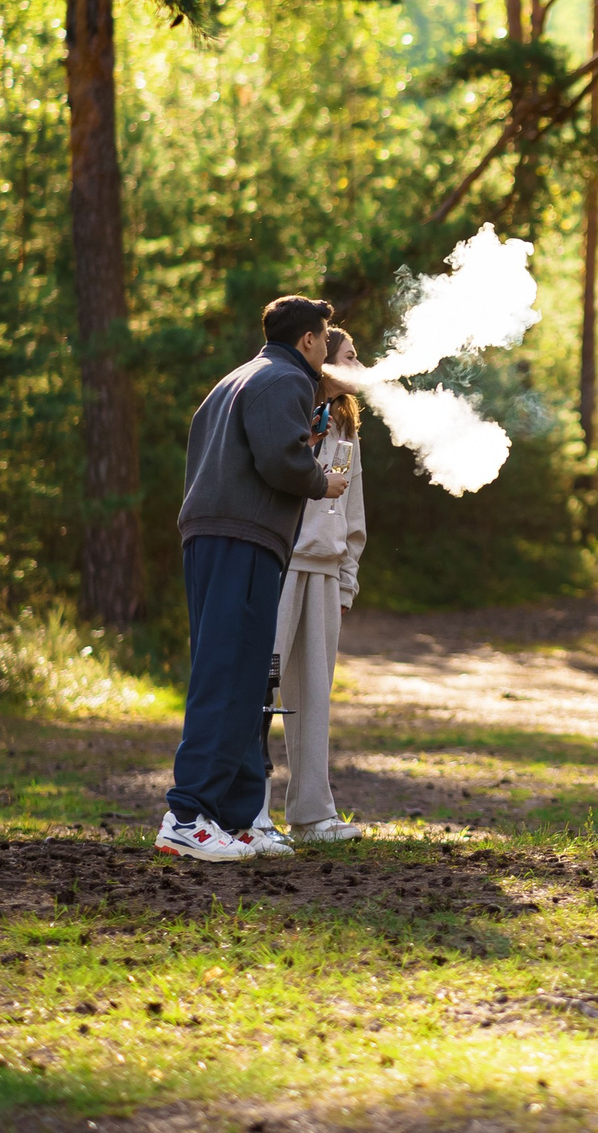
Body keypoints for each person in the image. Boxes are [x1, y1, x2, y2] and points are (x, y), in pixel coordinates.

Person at [161, 295, 349, 862]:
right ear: (310, 340)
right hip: (239, 538)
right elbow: (278, 461)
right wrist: (321, 481)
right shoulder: (285, 379)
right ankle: (187, 816)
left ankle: (240, 819)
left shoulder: (243, 377)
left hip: (223, 535)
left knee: (245, 677)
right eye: (325, 338)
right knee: (227, 671)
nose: (327, 351)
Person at [266, 326, 370, 844]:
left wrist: (346, 581)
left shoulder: (346, 433)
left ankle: (311, 816)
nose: (357, 363)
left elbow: (353, 515)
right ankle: (250, 811)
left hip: (326, 575)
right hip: (281, 568)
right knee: (262, 690)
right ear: (322, 354)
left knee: (314, 698)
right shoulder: (289, 408)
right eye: (349, 354)